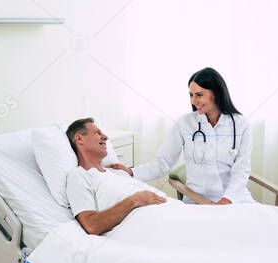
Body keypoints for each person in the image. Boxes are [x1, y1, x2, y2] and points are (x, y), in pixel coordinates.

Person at [109, 67, 254, 204]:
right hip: (197, 201)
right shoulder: (185, 123)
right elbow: (163, 163)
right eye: (191, 95)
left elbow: (241, 170)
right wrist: (131, 172)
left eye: (199, 95)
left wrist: (226, 200)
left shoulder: (241, 124)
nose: (193, 101)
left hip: (235, 200)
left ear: (216, 93)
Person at [64, 118, 170, 235]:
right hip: (152, 224)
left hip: (169, 210)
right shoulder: (79, 176)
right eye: (97, 133)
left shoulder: (117, 172)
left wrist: (128, 173)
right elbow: (91, 226)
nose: (105, 137)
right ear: (79, 139)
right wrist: (134, 200)